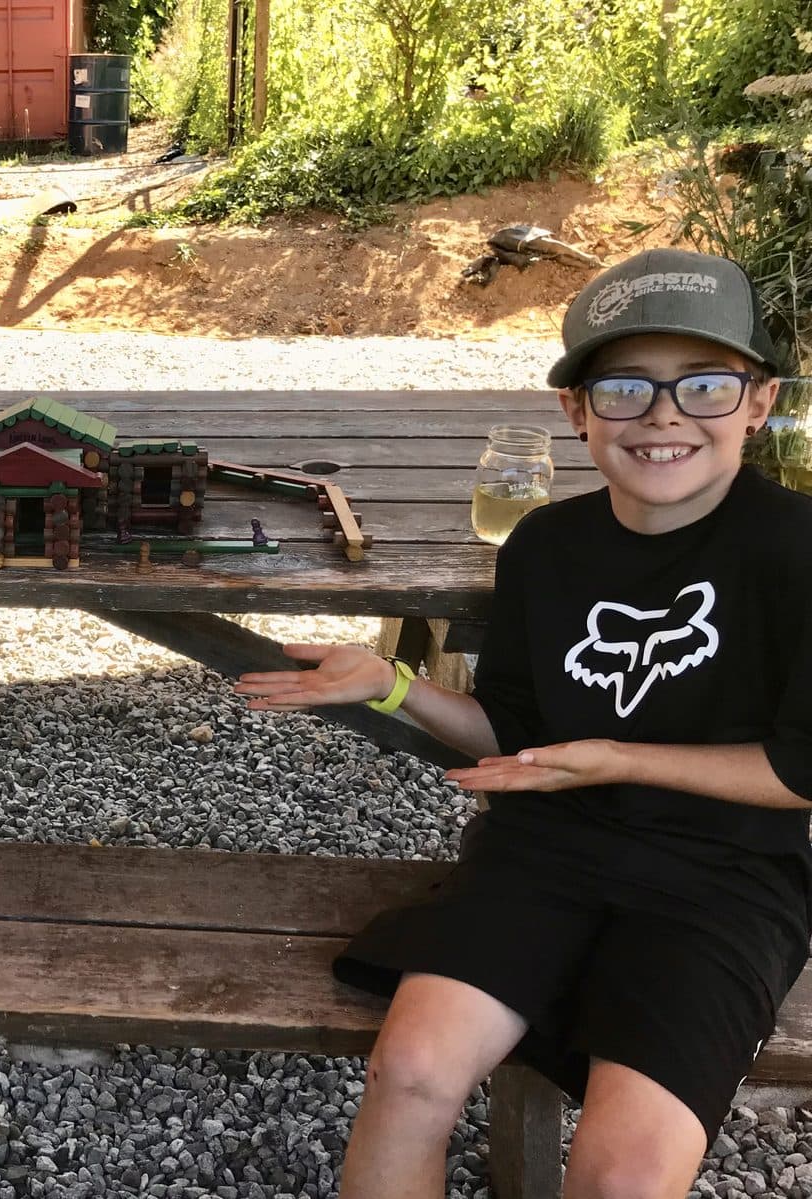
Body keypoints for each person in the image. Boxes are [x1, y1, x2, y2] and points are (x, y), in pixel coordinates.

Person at [235, 248, 812, 1198]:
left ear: (757, 401)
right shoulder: (546, 545)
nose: (665, 415)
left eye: (705, 385)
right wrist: (392, 685)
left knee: (621, 1176)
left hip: (728, 879)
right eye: (625, 387)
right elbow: (516, 737)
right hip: (548, 854)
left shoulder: (797, 549)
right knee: (409, 1074)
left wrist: (617, 759)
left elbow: (804, 767)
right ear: (576, 411)